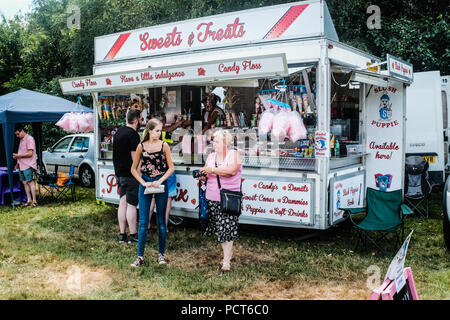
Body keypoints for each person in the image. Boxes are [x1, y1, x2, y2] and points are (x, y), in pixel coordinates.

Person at [130, 118, 175, 267]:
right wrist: (143, 182)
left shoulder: (164, 145)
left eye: (160, 130)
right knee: (143, 222)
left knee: (161, 221)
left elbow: (171, 168)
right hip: (146, 184)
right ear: (149, 130)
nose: (159, 133)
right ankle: (140, 256)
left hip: (160, 184)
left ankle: (161, 254)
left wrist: (160, 180)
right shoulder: (141, 146)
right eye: (157, 130)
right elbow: (133, 169)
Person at [198, 129, 242, 271]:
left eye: (216, 141)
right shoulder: (211, 156)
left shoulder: (233, 154)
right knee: (220, 228)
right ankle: (227, 254)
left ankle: (226, 261)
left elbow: (231, 171)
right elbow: (207, 171)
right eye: (213, 141)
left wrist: (212, 170)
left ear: (225, 143)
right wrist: (203, 175)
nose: (213, 144)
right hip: (212, 197)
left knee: (226, 228)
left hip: (229, 197)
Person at [112, 109, 142, 244]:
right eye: (141, 119)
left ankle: (122, 234)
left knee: (122, 203)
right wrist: (140, 176)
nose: (142, 121)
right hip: (131, 175)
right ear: (135, 120)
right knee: (131, 205)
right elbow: (135, 159)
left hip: (119, 174)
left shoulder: (118, 132)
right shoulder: (133, 135)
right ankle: (134, 235)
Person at [13, 125, 38, 207]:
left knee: (30, 182)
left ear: (22, 131)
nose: (17, 136)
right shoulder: (21, 139)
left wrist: (18, 156)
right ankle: (29, 200)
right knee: (24, 182)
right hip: (21, 164)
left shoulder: (29, 139)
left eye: (18, 134)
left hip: (28, 164)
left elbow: (30, 153)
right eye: (16, 135)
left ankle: (34, 201)